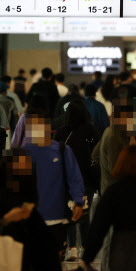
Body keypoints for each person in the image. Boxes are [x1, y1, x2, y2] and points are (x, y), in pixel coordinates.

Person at [23, 109, 85, 256]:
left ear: (48, 128)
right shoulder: (23, 153)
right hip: (30, 218)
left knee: (55, 264)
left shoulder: (62, 150)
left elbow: (74, 178)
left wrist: (78, 201)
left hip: (57, 218)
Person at [54, 100, 101, 262]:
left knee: (69, 213)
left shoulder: (61, 132)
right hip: (86, 178)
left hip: (66, 178)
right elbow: (96, 154)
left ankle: (72, 248)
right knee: (84, 214)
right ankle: (85, 248)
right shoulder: (90, 130)